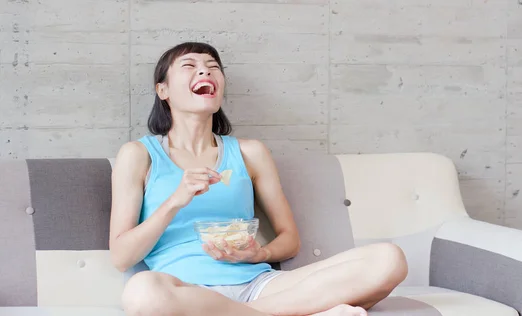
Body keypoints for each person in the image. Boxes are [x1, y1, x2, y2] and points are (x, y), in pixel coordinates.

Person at [109, 41, 408, 316]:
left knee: (389, 259)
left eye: (213, 67)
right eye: (189, 65)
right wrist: (175, 200)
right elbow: (122, 257)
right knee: (141, 293)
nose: (205, 70)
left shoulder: (250, 153)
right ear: (163, 90)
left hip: (261, 286)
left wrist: (258, 253)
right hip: (187, 291)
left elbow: (289, 241)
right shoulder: (138, 155)